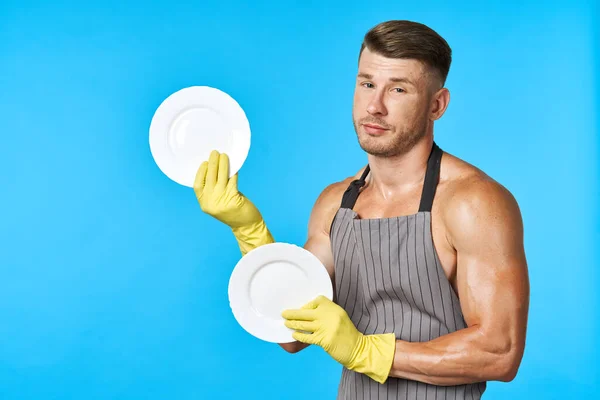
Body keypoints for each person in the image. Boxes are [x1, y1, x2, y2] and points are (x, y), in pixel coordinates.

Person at [194, 20, 529, 400]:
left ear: (437, 105)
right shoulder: (336, 203)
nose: (375, 106)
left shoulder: (472, 202)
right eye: (367, 83)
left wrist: (364, 351)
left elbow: (499, 352)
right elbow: (291, 332)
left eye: (398, 89)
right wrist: (249, 230)